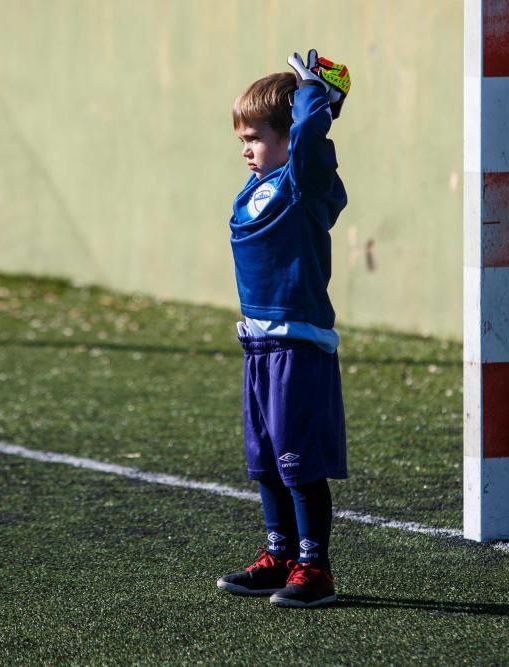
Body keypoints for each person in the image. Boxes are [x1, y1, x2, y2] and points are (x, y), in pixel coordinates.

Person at [216, 50, 351, 609]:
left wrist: (312, 89)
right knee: (265, 460)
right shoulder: (254, 190)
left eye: (255, 136)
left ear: (289, 132)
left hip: (298, 346)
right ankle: (279, 555)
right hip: (259, 346)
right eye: (241, 139)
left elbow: (312, 142)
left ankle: (313, 568)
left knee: (298, 462)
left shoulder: (304, 180)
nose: (246, 148)